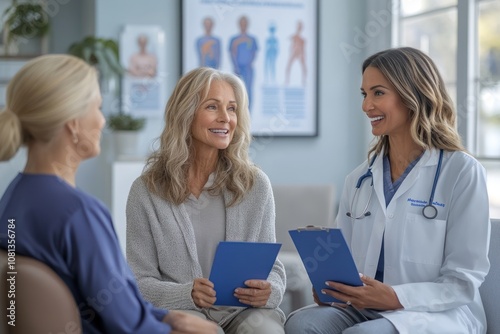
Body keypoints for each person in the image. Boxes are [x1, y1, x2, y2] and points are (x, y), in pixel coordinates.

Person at [0, 54, 218, 334]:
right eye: (98, 108)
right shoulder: (79, 214)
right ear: (74, 123)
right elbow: (129, 326)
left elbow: (117, 305)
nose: (102, 121)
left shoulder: (12, 199)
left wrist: (166, 317)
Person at [285, 47, 491, 333]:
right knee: (301, 323)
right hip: (363, 308)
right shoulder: (360, 178)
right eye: (364, 94)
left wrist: (395, 297)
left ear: (413, 94)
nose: (366, 105)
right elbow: (345, 261)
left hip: (434, 313)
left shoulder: (462, 172)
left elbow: (463, 280)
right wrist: (330, 288)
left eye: (378, 93)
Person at [126, 67, 286, 333]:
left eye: (232, 109)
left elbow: (274, 268)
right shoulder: (146, 191)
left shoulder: (255, 185)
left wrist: (269, 291)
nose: (225, 118)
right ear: (186, 113)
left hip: (244, 313)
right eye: (213, 107)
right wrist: (186, 294)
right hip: (183, 312)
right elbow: (139, 281)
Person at [228, 16, 258, 109]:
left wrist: (249, 63)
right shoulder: (234, 39)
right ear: (239, 24)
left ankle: (248, 115)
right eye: (242, 23)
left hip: (248, 69)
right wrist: (236, 66)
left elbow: (254, 53)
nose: (243, 25)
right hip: (238, 69)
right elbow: (232, 53)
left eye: (245, 23)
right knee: (236, 91)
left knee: (248, 90)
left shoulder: (252, 39)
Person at [285, 20, 306, 86]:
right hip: (294, 52)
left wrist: (303, 55)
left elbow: (303, 49)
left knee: (303, 67)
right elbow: (290, 44)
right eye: (298, 26)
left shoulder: (302, 40)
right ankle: (287, 80)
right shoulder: (294, 37)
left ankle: (304, 81)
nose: (299, 28)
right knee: (289, 65)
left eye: (300, 27)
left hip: (300, 53)